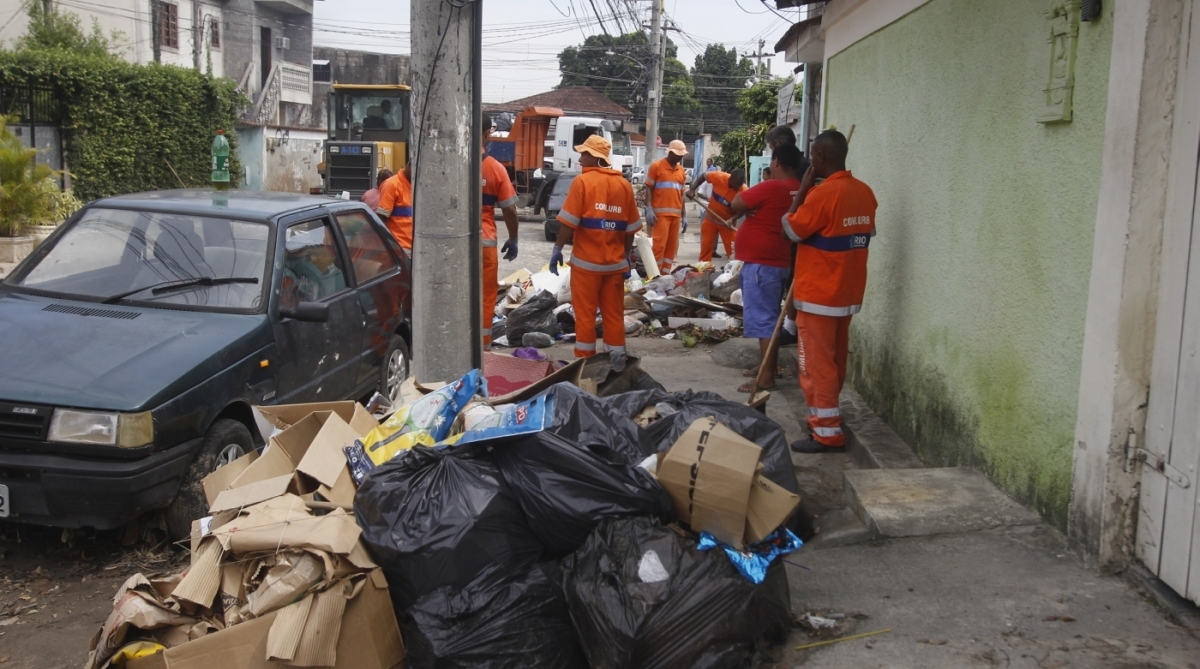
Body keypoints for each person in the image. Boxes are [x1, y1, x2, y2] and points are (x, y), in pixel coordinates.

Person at [783, 129, 877, 453]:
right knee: (834, 364)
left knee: (816, 367)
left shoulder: (821, 196)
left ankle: (826, 433)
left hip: (819, 296)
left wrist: (803, 190)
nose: (810, 161)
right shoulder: (865, 192)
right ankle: (830, 421)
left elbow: (791, 229)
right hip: (847, 295)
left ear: (821, 158)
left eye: (813, 155)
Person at [549, 135, 640, 368]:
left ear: (596, 158)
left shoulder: (583, 182)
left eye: (584, 154)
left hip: (587, 265)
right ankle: (617, 363)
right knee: (613, 315)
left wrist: (557, 248)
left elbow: (568, 222)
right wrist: (626, 258)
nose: (580, 158)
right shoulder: (624, 185)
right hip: (614, 265)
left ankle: (584, 365)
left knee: (586, 316)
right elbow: (630, 230)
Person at [728, 143, 804, 394]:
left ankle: (766, 377)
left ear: (777, 163)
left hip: (763, 265)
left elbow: (737, 202)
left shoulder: (774, 186)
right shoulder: (801, 190)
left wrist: (750, 209)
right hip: (778, 262)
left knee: (765, 322)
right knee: (769, 318)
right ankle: (765, 368)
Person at [481, 115, 520, 350]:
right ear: (487, 134)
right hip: (483, 244)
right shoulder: (494, 168)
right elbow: (510, 210)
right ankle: (482, 347)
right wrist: (513, 238)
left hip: (451, 244)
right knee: (485, 295)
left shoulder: (451, 165)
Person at [643, 140, 688, 274]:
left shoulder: (681, 171)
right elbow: (648, 188)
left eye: (682, 155)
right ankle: (653, 275)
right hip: (660, 216)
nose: (680, 157)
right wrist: (649, 208)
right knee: (659, 247)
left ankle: (665, 275)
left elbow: (682, 195)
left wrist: (684, 215)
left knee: (670, 248)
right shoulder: (656, 167)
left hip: (676, 216)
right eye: (678, 154)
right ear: (671, 153)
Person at [686, 167, 746, 263]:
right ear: (730, 178)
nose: (738, 187)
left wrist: (733, 218)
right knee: (705, 249)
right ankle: (703, 273)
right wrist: (692, 189)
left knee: (734, 254)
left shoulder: (743, 190)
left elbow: (743, 210)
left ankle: (733, 274)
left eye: (740, 184)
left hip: (728, 225)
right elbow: (704, 176)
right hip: (710, 221)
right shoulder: (720, 177)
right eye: (736, 184)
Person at [375, 163, 413, 256]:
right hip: (400, 250)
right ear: (410, 165)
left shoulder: (419, 186)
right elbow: (381, 219)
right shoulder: (391, 185)